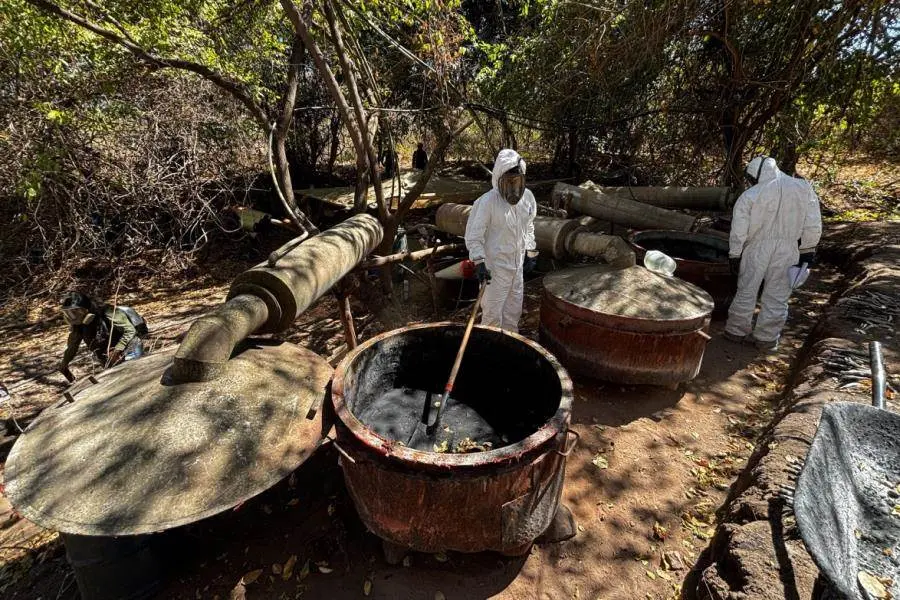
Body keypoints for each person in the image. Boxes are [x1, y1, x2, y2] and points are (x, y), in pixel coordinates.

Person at [724, 156, 822, 350]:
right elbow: (813, 223)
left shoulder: (750, 195)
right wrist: (808, 250)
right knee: (778, 294)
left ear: (756, 175)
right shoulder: (803, 188)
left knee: (747, 290)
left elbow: (739, 229)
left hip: (755, 249)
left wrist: (735, 254)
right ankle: (766, 338)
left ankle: (735, 331)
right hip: (788, 250)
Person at [464, 149, 538, 332]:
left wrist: (530, 250)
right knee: (492, 318)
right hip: (494, 272)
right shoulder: (487, 202)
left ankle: (509, 347)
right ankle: (490, 349)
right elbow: (474, 236)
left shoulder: (527, 198)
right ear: (499, 179)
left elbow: (529, 225)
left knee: (513, 315)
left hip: (517, 270)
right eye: (509, 182)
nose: (514, 188)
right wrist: (479, 262)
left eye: (517, 182)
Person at [59, 291, 147, 382]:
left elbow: (130, 331)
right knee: (118, 381)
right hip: (106, 356)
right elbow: (72, 346)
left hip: (129, 347)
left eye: (75, 312)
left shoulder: (108, 312)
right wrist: (64, 363)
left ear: (86, 309)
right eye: (68, 313)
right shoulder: (78, 326)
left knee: (135, 376)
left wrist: (117, 350)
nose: (73, 317)